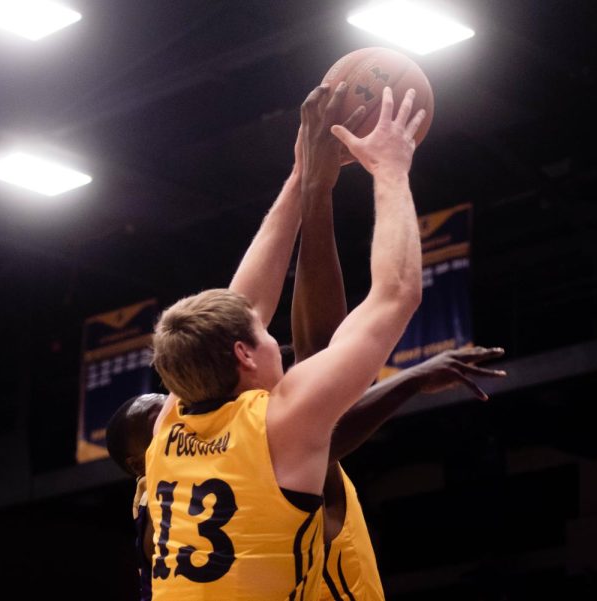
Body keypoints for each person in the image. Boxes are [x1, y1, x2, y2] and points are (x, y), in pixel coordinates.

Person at [145, 82, 428, 600]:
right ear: (243, 354)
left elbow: (240, 309)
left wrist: (302, 179)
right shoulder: (281, 424)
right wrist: (391, 168)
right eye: (265, 335)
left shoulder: (168, 427)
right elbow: (396, 296)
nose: (277, 339)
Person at [108, 348, 504, 600]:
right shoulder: (192, 485)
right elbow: (322, 429)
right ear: (137, 464)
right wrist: (411, 380)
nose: (173, 415)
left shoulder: (196, 479)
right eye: (158, 417)